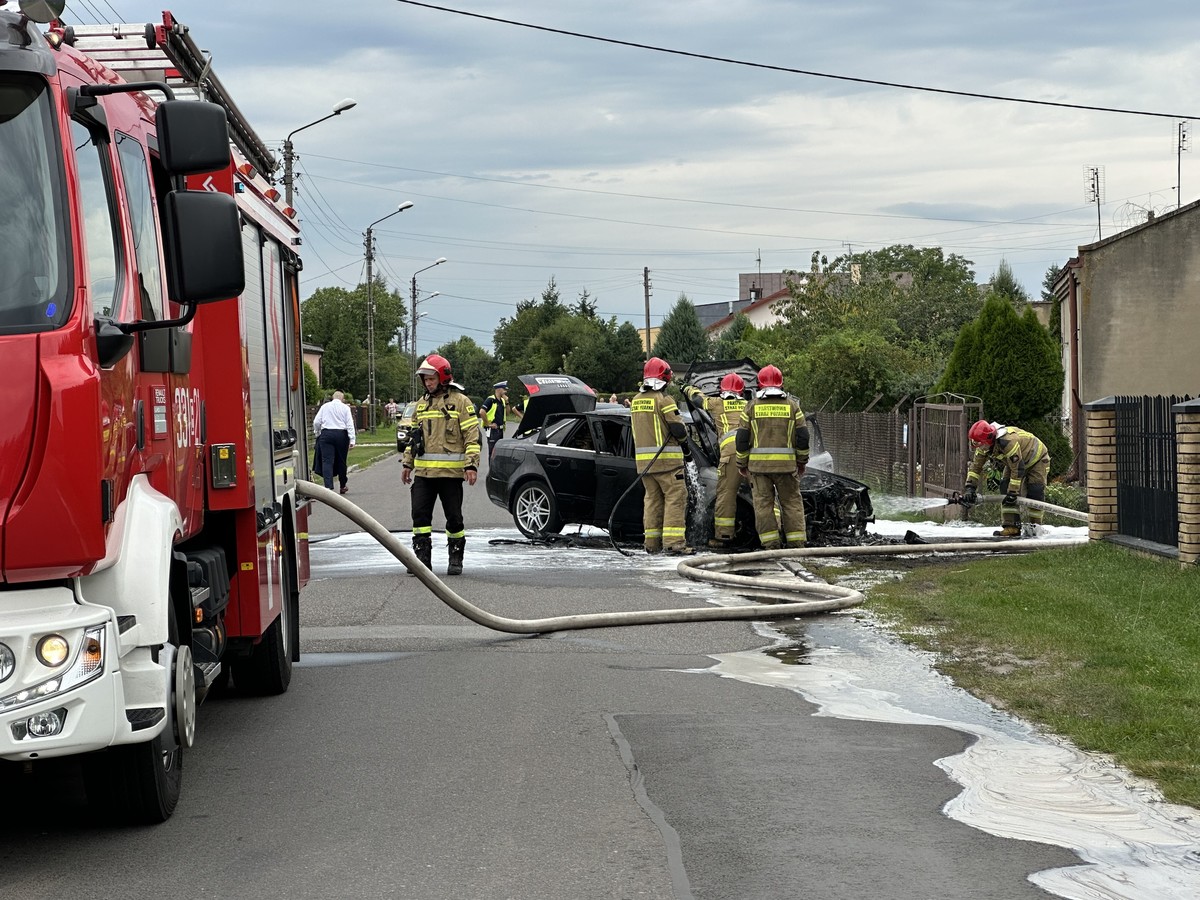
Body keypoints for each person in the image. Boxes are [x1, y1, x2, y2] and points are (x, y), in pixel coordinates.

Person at [401, 354, 481, 575]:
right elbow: (414, 438)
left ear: (443, 377)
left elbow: (472, 437)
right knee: (419, 517)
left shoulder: (461, 402)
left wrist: (471, 466)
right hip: (424, 474)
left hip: (450, 474)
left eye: (431, 378)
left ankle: (456, 559)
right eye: (425, 379)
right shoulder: (421, 404)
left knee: (454, 518)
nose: (428, 382)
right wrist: (407, 463)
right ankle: (421, 562)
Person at [735, 365, 808, 550]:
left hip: (759, 470)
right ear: (781, 384)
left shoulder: (751, 407)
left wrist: (742, 463)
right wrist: (801, 461)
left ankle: (771, 544)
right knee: (791, 504)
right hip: (787, 468)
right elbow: (803, 437)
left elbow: (742, 438)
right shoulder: (793, 406)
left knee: (763, 507)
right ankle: (796, 543)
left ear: (760, 384)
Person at [630, 357, 692, 555]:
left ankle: (652, 544)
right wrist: (687, 450)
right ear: (664, 378)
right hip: (667, 463)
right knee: (675, 499)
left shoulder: (636, 401)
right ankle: (674, 544)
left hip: (645, 465)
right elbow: (677, 428)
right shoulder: (664, 400)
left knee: (652, 501)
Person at [685, 372, 748, 548]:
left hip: (731, 455)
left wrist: (688, 388)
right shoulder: (749, 405)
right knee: (764, 494)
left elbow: (699, 400)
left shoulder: (718, 404)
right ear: (741, 391)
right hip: (753, 454)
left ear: (722, 390)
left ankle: (724, 537)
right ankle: (775, 534)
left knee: (726, 494)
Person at [963, 420, 1050, 538]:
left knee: (1035, 491)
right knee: (1005, 486)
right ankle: (1011, 527)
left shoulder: (1008, 441)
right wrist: (970, 488)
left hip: (1037, 459)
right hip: (1016, 463)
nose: (979, 446)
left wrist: (1013, 491)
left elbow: (1018, 468)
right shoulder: (983, 446)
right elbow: (975, 467)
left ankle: (1035, 528)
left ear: (988, 440)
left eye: (980, 443)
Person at [313, 390, 356, 494]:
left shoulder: (325, 407)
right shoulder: (345, 408)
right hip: (341, 435)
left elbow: (316, 422)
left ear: (333, 398)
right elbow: (349, 424)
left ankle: (328, 486)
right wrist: (352, 439)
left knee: (327, 460)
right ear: (342, 398)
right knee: (341, 461)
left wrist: (317, 432)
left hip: (327, 434)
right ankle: (342, 485)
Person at [478, 381, 509, 459]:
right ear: (498, 389)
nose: (506, 391)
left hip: (500, 430)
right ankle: (491, 470)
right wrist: (488, 423)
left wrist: (507, 402)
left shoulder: (502, 401)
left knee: (498, 453)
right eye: (504, 389)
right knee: (492, 453)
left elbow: (508, 413)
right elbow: (481, 412)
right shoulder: (491, 399)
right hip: (493, 431)